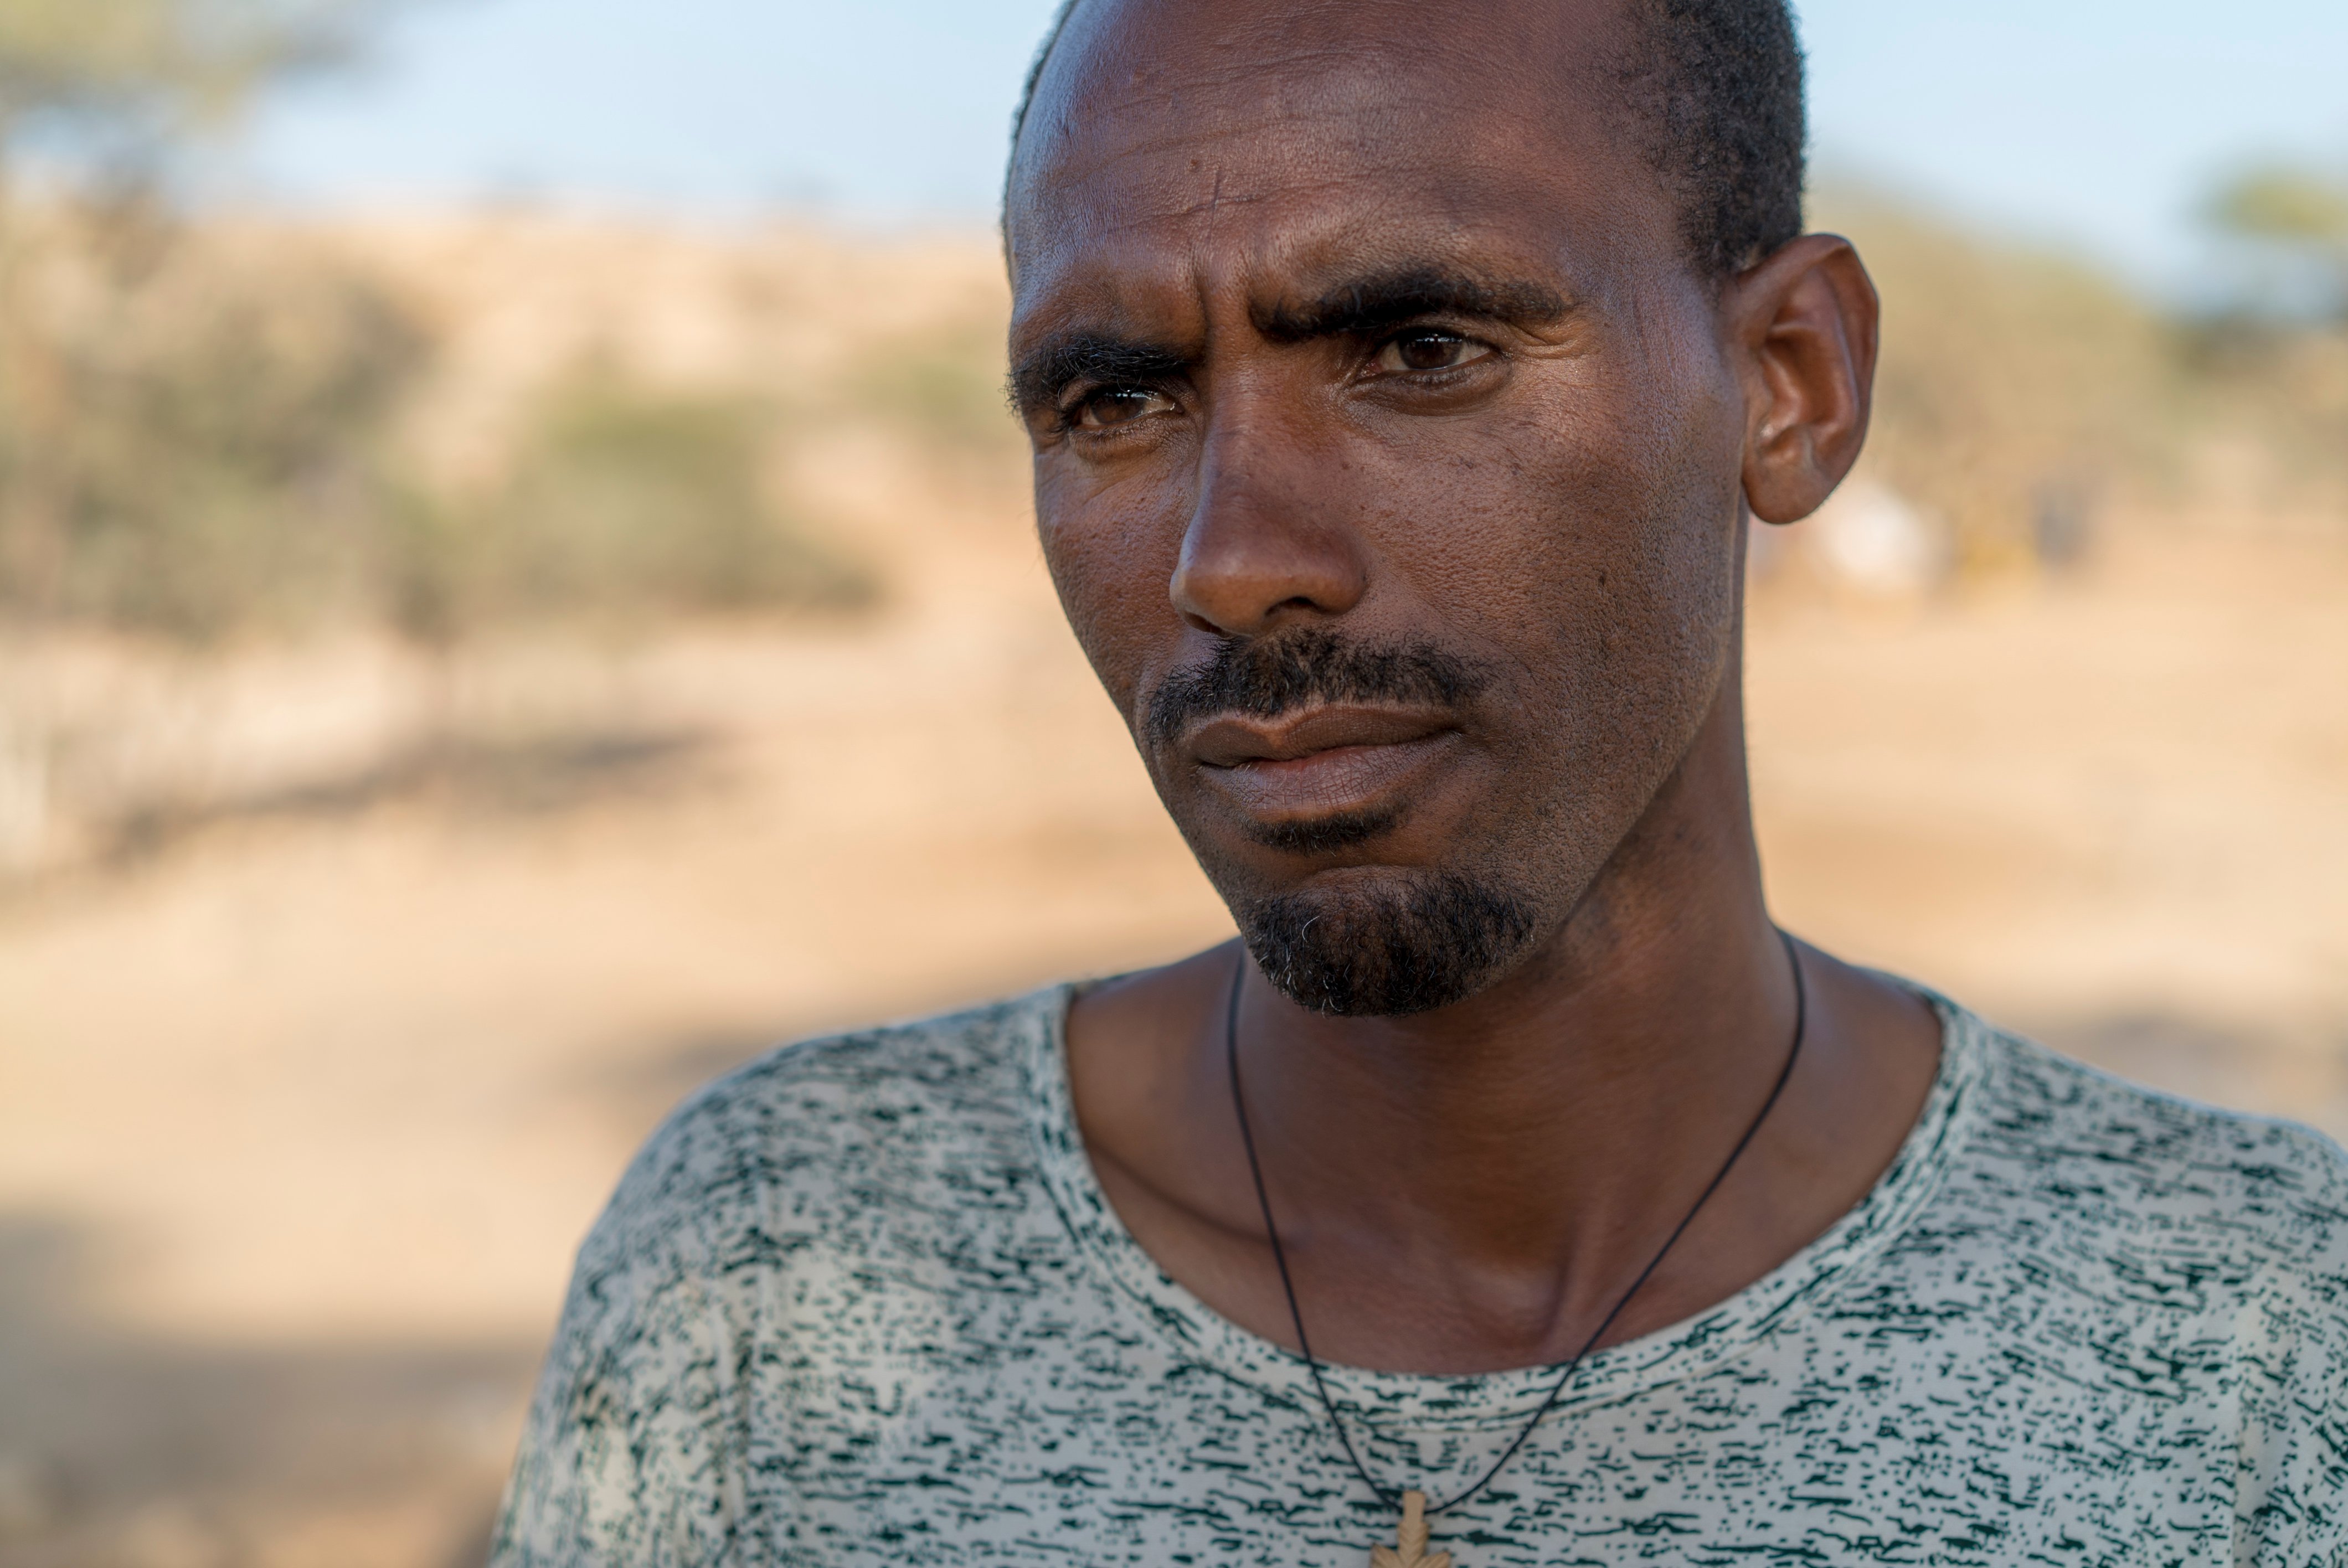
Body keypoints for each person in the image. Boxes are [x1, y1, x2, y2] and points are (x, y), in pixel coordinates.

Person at [489, 1, 2348, 1562]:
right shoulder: (778, 1278)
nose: (1236, 562)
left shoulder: (2256, 1346)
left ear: (1790, 383)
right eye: (1117, 400)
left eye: (1423, 352)